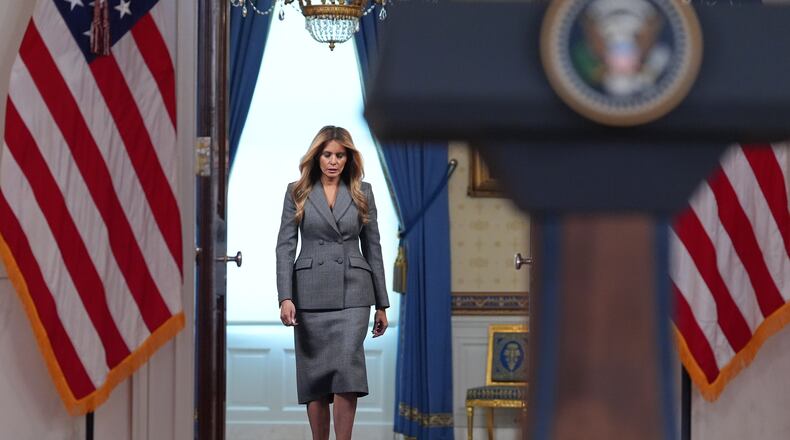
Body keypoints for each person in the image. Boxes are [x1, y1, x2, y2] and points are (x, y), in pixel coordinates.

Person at [275, 125, 389, 440]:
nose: (333, 161)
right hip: (308, 294)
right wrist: (286, 297)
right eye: (327, 154)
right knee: (315, 376)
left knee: (347, 371)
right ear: (317, 156)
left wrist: (382, 303)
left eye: (340, 155)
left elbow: (374, 248)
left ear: (348, 158)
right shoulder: (296, 191)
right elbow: (285, 246)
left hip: (353, 292)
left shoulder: (362, 191)